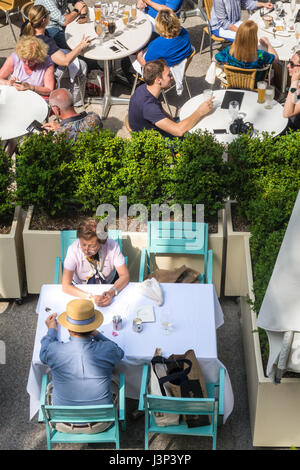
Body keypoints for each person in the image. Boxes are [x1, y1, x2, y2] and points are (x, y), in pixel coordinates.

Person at [40, 299, 124, 433]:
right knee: (117, 378)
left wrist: (51, 330)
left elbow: (43, 354)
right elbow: (119, 352)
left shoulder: (53, 350)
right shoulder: (107, 349)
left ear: (68, 328)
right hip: (102, 423)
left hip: (62, 423)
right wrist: (96, 334)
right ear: (92, 327)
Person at [22, 5, 91, 106]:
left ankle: (67, 87)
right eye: (48, 13)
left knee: (68, 52)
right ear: (45, 19)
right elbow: (65, 61)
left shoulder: (26, 27)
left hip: (29, 70)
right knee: (82, 64)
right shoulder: (45, 41)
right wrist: (81, 45)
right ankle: (76, 102)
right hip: (44, 76)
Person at [128, 58, 214, 138]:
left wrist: (173, 121)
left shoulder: (145, 88)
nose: (172, 77)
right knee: (200, 136)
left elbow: (160, 110)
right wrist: (200, 112)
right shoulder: (149, 107)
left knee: (192, 120)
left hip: (156, 129)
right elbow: (179, 131)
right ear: (158, 80)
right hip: (155, 141)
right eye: (169, 75)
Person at [60, 217, 130, 307]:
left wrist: (111, 292)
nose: (86, 250)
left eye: (92, 246)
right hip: (81, 288)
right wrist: (91, 297)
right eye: (83, 244)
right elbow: (66, 285)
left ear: (101, 242)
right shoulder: (73, 250)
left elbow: (125, 275)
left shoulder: (112, 246)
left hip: (108, 285)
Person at [209, 0, 273, 42]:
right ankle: (246, 59)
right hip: (219, 27)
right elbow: (223, 22)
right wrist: (241, 31)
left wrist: (264, 4)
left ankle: (258, 57)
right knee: (247, 38)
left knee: (255, 30)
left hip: (233, 22)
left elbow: (247, 3)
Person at [283, 51, 300, 131]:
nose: (287, 65)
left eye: (292, 64)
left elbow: (287, 114)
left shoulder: (296, 82)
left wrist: (294, 82)